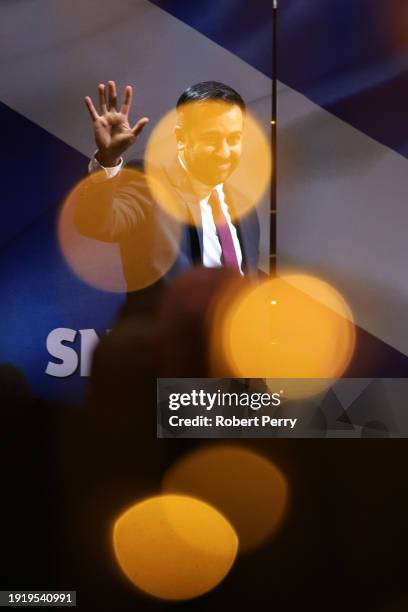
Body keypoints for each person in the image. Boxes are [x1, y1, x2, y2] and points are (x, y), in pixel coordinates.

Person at [75, 80, 260, 293]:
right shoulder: (149, 181)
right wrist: (108, 160)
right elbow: (99, 224)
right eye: (211, 139)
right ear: (181, 137)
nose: (224, 152)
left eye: (234, 139)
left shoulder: (244, 207)